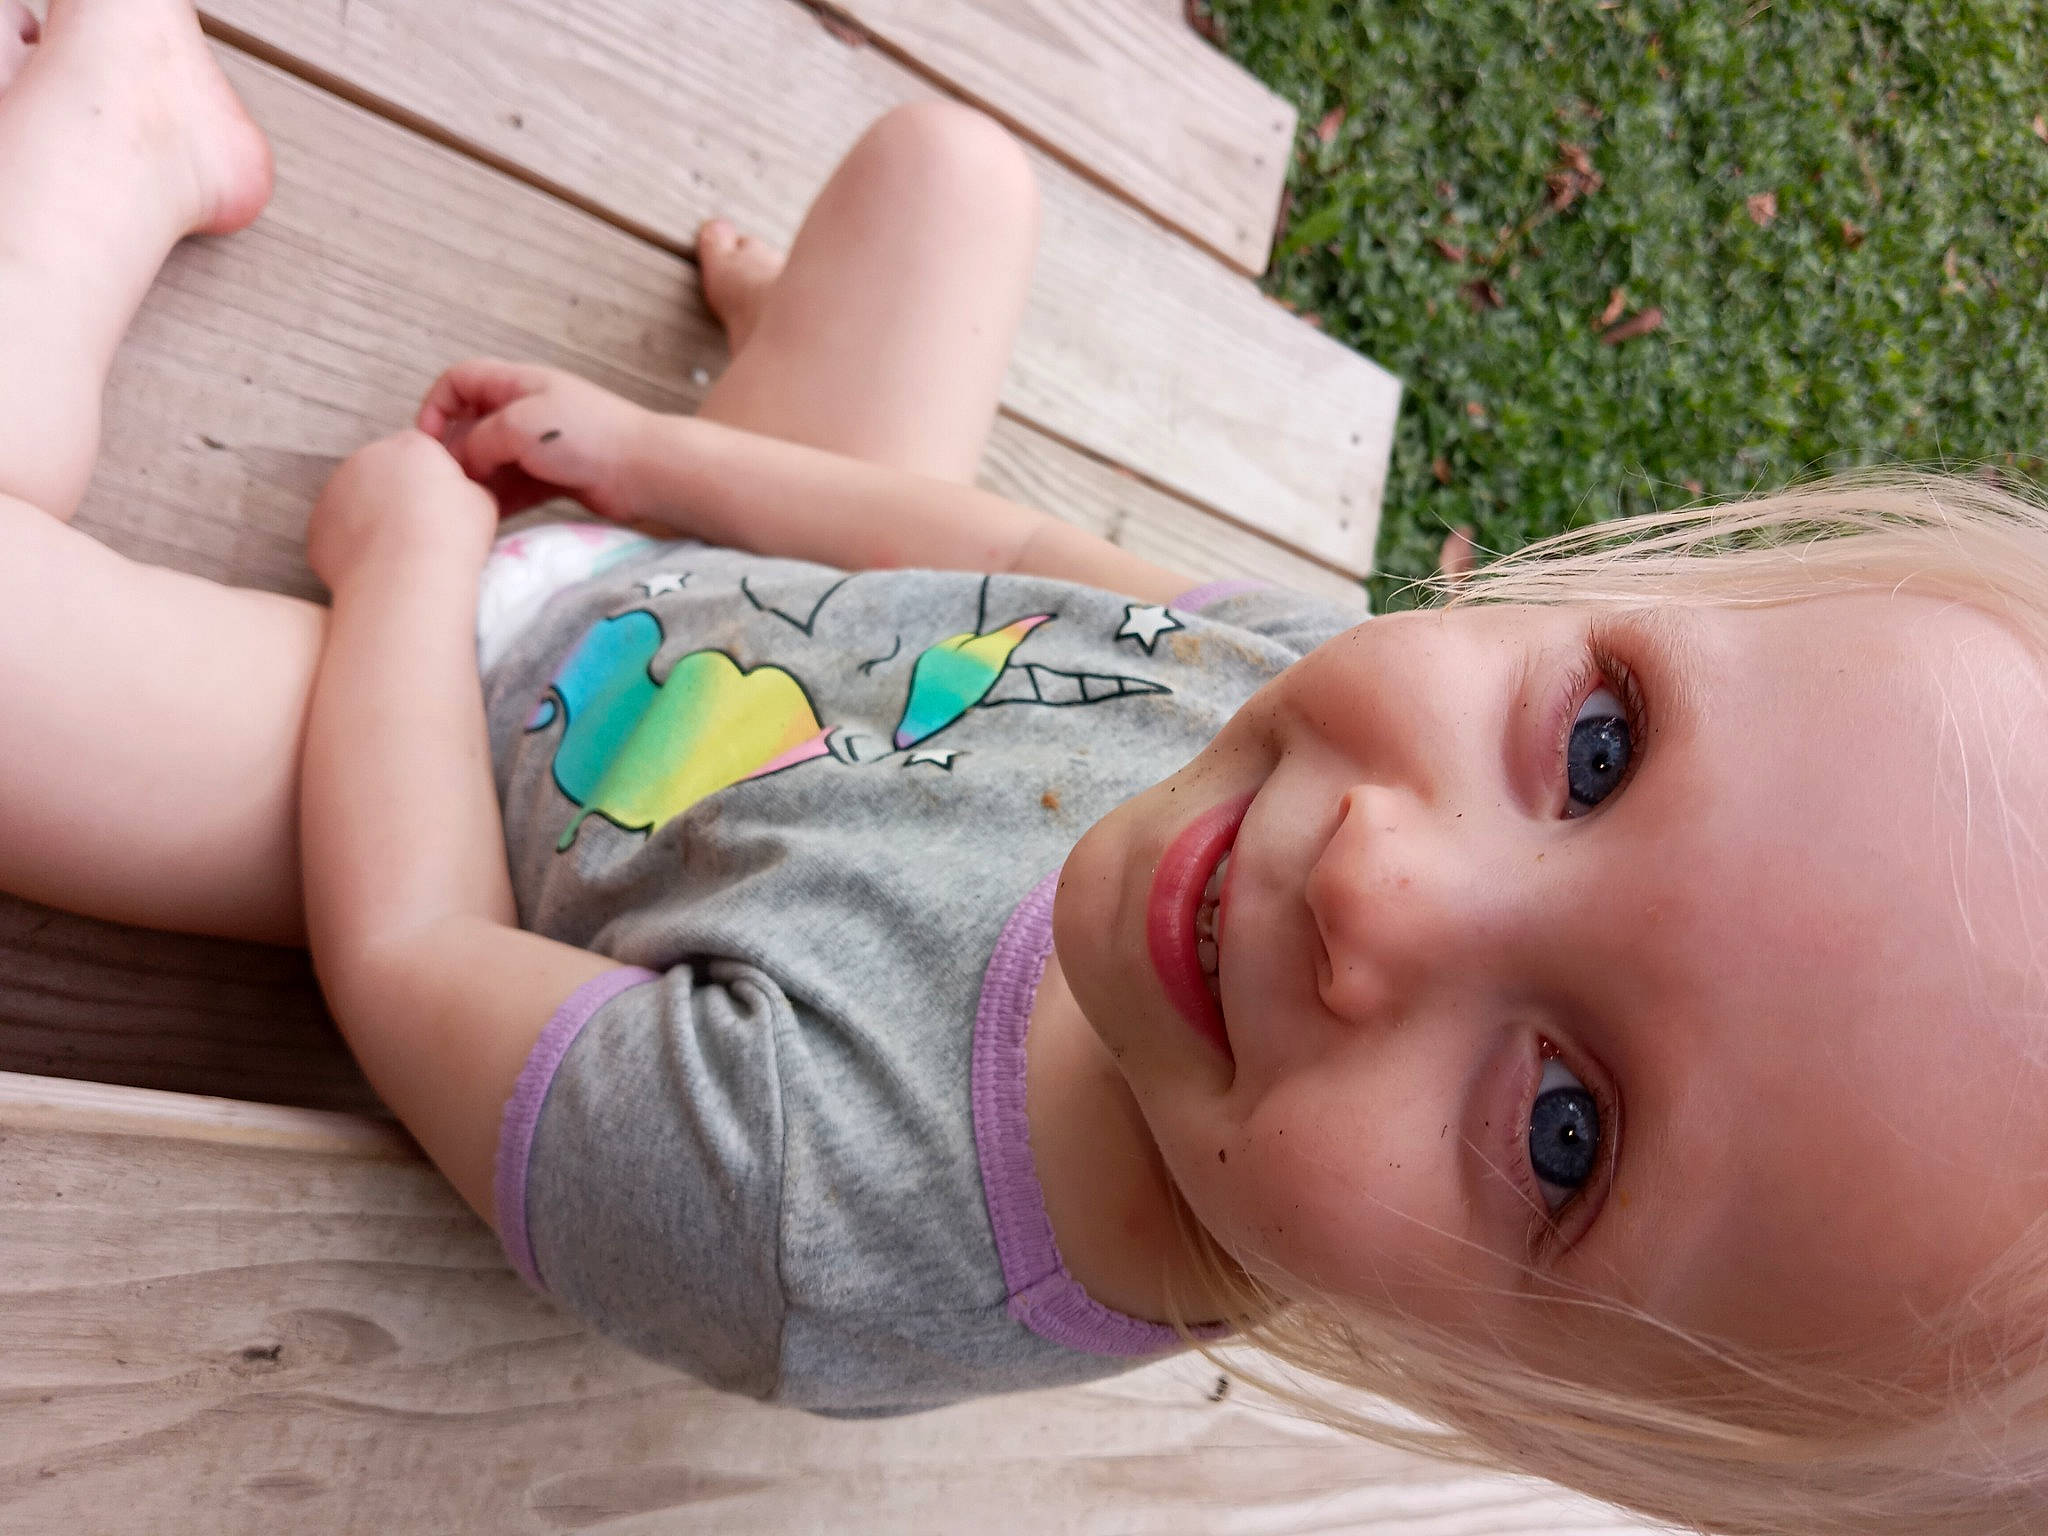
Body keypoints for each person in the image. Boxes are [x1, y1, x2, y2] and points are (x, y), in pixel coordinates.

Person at [4, 3, 2047, 1532]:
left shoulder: (815, 1212)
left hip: (466, 748)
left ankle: (129, 133)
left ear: (1526, 1399)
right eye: (1600, 748)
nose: (1379, 882)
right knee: (955, 173)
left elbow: (414, 947)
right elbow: (1014, 551)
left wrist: (415, 571)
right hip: (751, 597)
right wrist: (661, 456)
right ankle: (746, 366)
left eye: (1567, 1132)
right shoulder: (1314, 719)